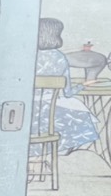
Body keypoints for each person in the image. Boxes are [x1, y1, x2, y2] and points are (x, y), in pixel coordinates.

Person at [33, 17, 99, 154]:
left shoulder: (29, 55)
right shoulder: (60, 58)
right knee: (82, 117)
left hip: (30, 112)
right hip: (50, 112)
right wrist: (81, 86)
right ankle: (57, 152)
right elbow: (68, 93)